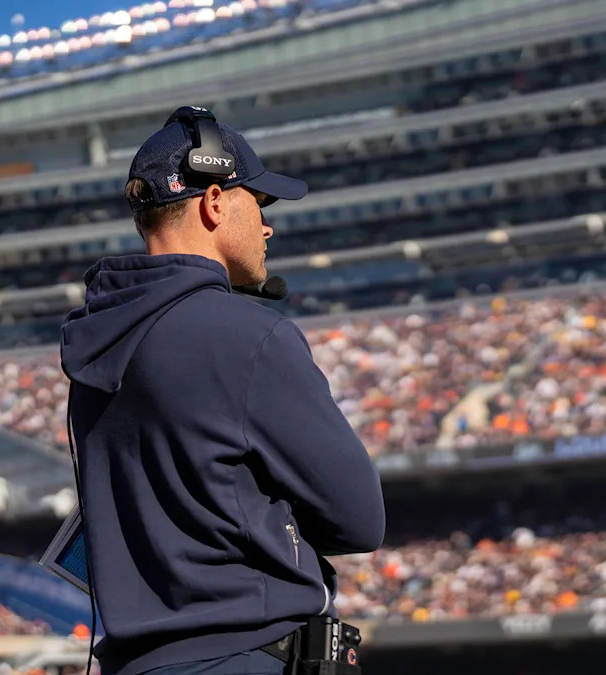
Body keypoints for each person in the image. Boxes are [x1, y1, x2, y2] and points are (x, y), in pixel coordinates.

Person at [59, 109, 386, 675]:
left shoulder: (94, 342)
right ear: (214, 202)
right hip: (246, 655)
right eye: (258, 204)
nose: (267, 227)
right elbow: (359, 520)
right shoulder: (249, 335)